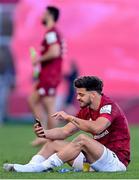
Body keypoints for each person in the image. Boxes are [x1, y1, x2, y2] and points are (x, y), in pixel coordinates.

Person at [3, 76, 130, 172]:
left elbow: (97, 128)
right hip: (95, 161)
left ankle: (42, 167)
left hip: (115, 163)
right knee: (53, 144)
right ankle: (30, 167)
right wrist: (44, 133)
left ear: (92, 95)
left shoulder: (108, 107)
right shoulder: (86, 110)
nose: (77, 98)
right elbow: (64, 132)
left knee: (82, 139)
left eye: (81, 94)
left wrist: (69, 117)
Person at [28, 6, 64, 145]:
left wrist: (38, 59)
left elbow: (55, 52)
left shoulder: (51, 33)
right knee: (32, 100)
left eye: (44, 14)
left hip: (50, 76)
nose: (41, 16)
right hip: (47, 75)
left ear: (49, 15)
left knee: (50, 107)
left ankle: (51, 139)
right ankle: (44, 134)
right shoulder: (52, 33)